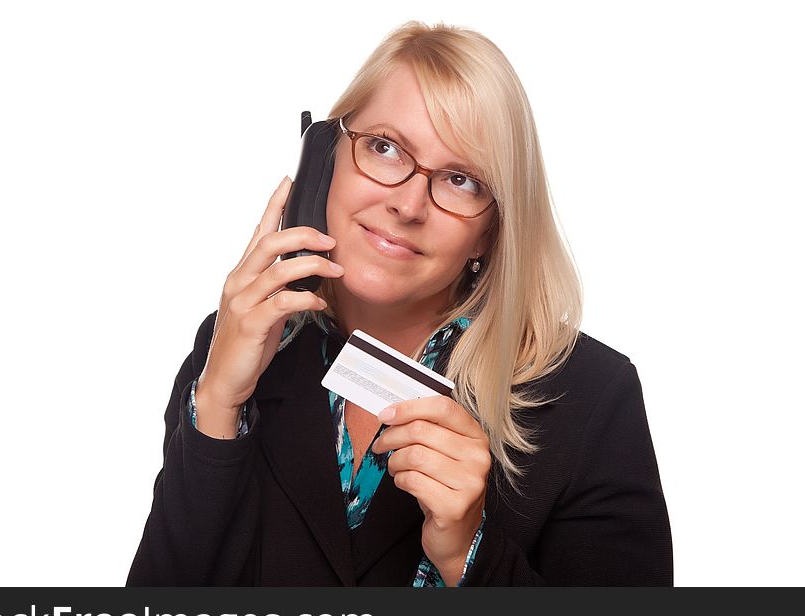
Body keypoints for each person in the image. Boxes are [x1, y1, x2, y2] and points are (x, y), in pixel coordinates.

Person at [126, 20, 672, 586]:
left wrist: (469, 556)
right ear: (327, 156)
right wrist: (216, 406)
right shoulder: (237, 343)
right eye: (385, 148)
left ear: (491, 230)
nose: (409, 205)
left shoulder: (592, 396)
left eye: (462, 180)